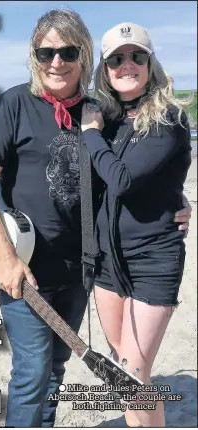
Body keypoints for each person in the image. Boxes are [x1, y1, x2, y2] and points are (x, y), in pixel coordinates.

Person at [0, 9, 192, 427]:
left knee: (54, 371)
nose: (57, 61)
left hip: (83, 271)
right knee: (32, 374)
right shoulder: (15, 103)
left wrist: (177, 203)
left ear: (84, 57)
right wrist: (4, 257)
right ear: (34, 57)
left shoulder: (98, 113)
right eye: (46, 52)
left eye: (68, 51)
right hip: (25, 268)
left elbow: (131, 171)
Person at [80, 22, 192, 427]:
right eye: (117, 59)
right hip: (108, 262)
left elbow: (123, 179)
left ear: (150, 63)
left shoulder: (169, 119)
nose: (127, 65)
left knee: (130, 375)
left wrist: (90, 135)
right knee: (127, 373)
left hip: (153, 261)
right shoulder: (108, 120)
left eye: (137, 56)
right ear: (106, 70)